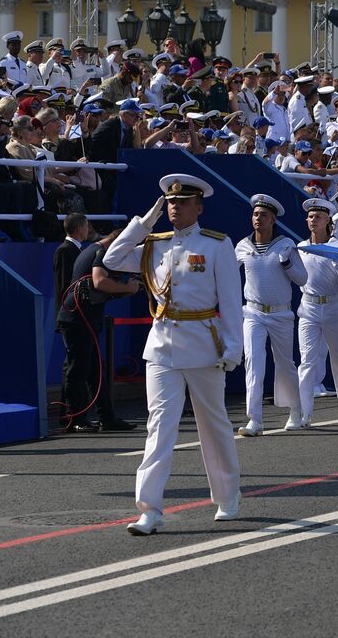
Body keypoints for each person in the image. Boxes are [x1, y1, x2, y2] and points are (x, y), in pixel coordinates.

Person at [102, 174, 244, 535]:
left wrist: (233, 347)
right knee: (159, 427)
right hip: (163, 347)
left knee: (214, 425)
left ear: (199, 207)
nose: (174, 208)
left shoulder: (216, 245)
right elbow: (113, 257)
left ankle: (228, 496)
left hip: (204, 347)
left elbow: (230, 300)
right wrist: (144, 222)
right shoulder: (154, 245)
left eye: (182, 202)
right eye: (169, 202)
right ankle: (150, 509)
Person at [234, 194, 307, 436]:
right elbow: (227, 273)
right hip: (253, 313)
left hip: (281, 315)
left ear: (273, 219)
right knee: (254, 363)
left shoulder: (286, 244)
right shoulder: (242, 245)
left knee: (285, 363)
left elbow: (303, 278)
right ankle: (255, 419)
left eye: (263, 215)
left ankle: (295, 410)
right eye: (255, 214)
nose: (258, 219)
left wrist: (287, 264)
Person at [55, 227, 138, 433]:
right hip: (79, 319)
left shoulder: (91, 250)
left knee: (94, 371)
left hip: (82, 319)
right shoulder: (101, 253)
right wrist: (128, 288)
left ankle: (106, 417)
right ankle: (75, 419)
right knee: (79, 370)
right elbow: (99, 281)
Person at [295, 198, 338, 423]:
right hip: (308, 307)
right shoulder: (301, 247)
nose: (313, 220)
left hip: (334, 306)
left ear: (327, 221)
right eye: (310, 217)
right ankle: (302, 411)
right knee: (307, 360)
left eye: (318, 217)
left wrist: (335, 259)